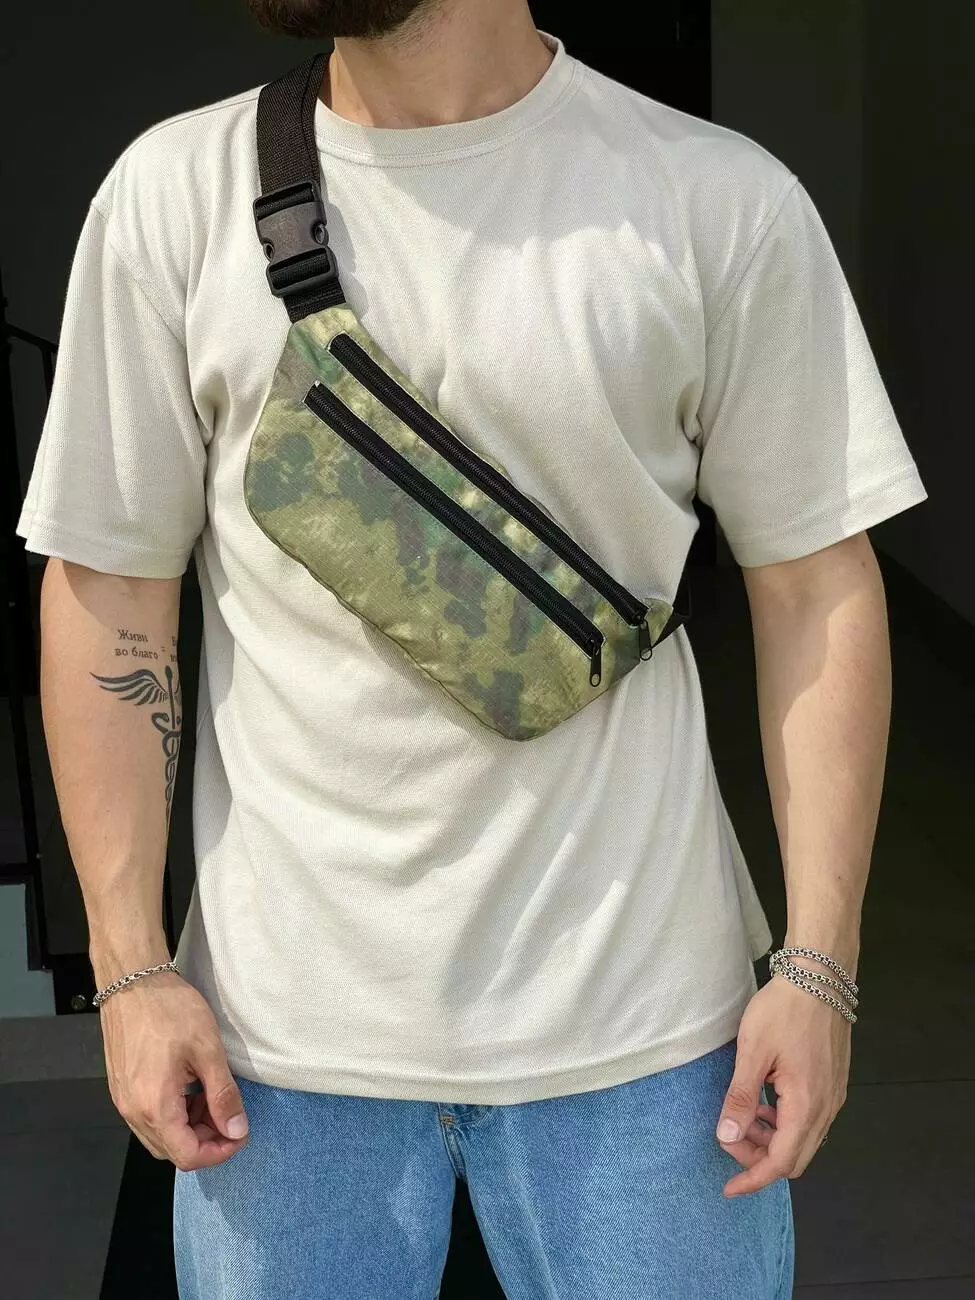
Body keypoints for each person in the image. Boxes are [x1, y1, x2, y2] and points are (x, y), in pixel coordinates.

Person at [16, 1, 928, 1297]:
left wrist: (820, 970)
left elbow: (815, 591)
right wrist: (129, 973)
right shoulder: (173, 196)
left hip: (651, 1045)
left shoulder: (712, 199)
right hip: (275, 1052)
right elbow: (109, 593)